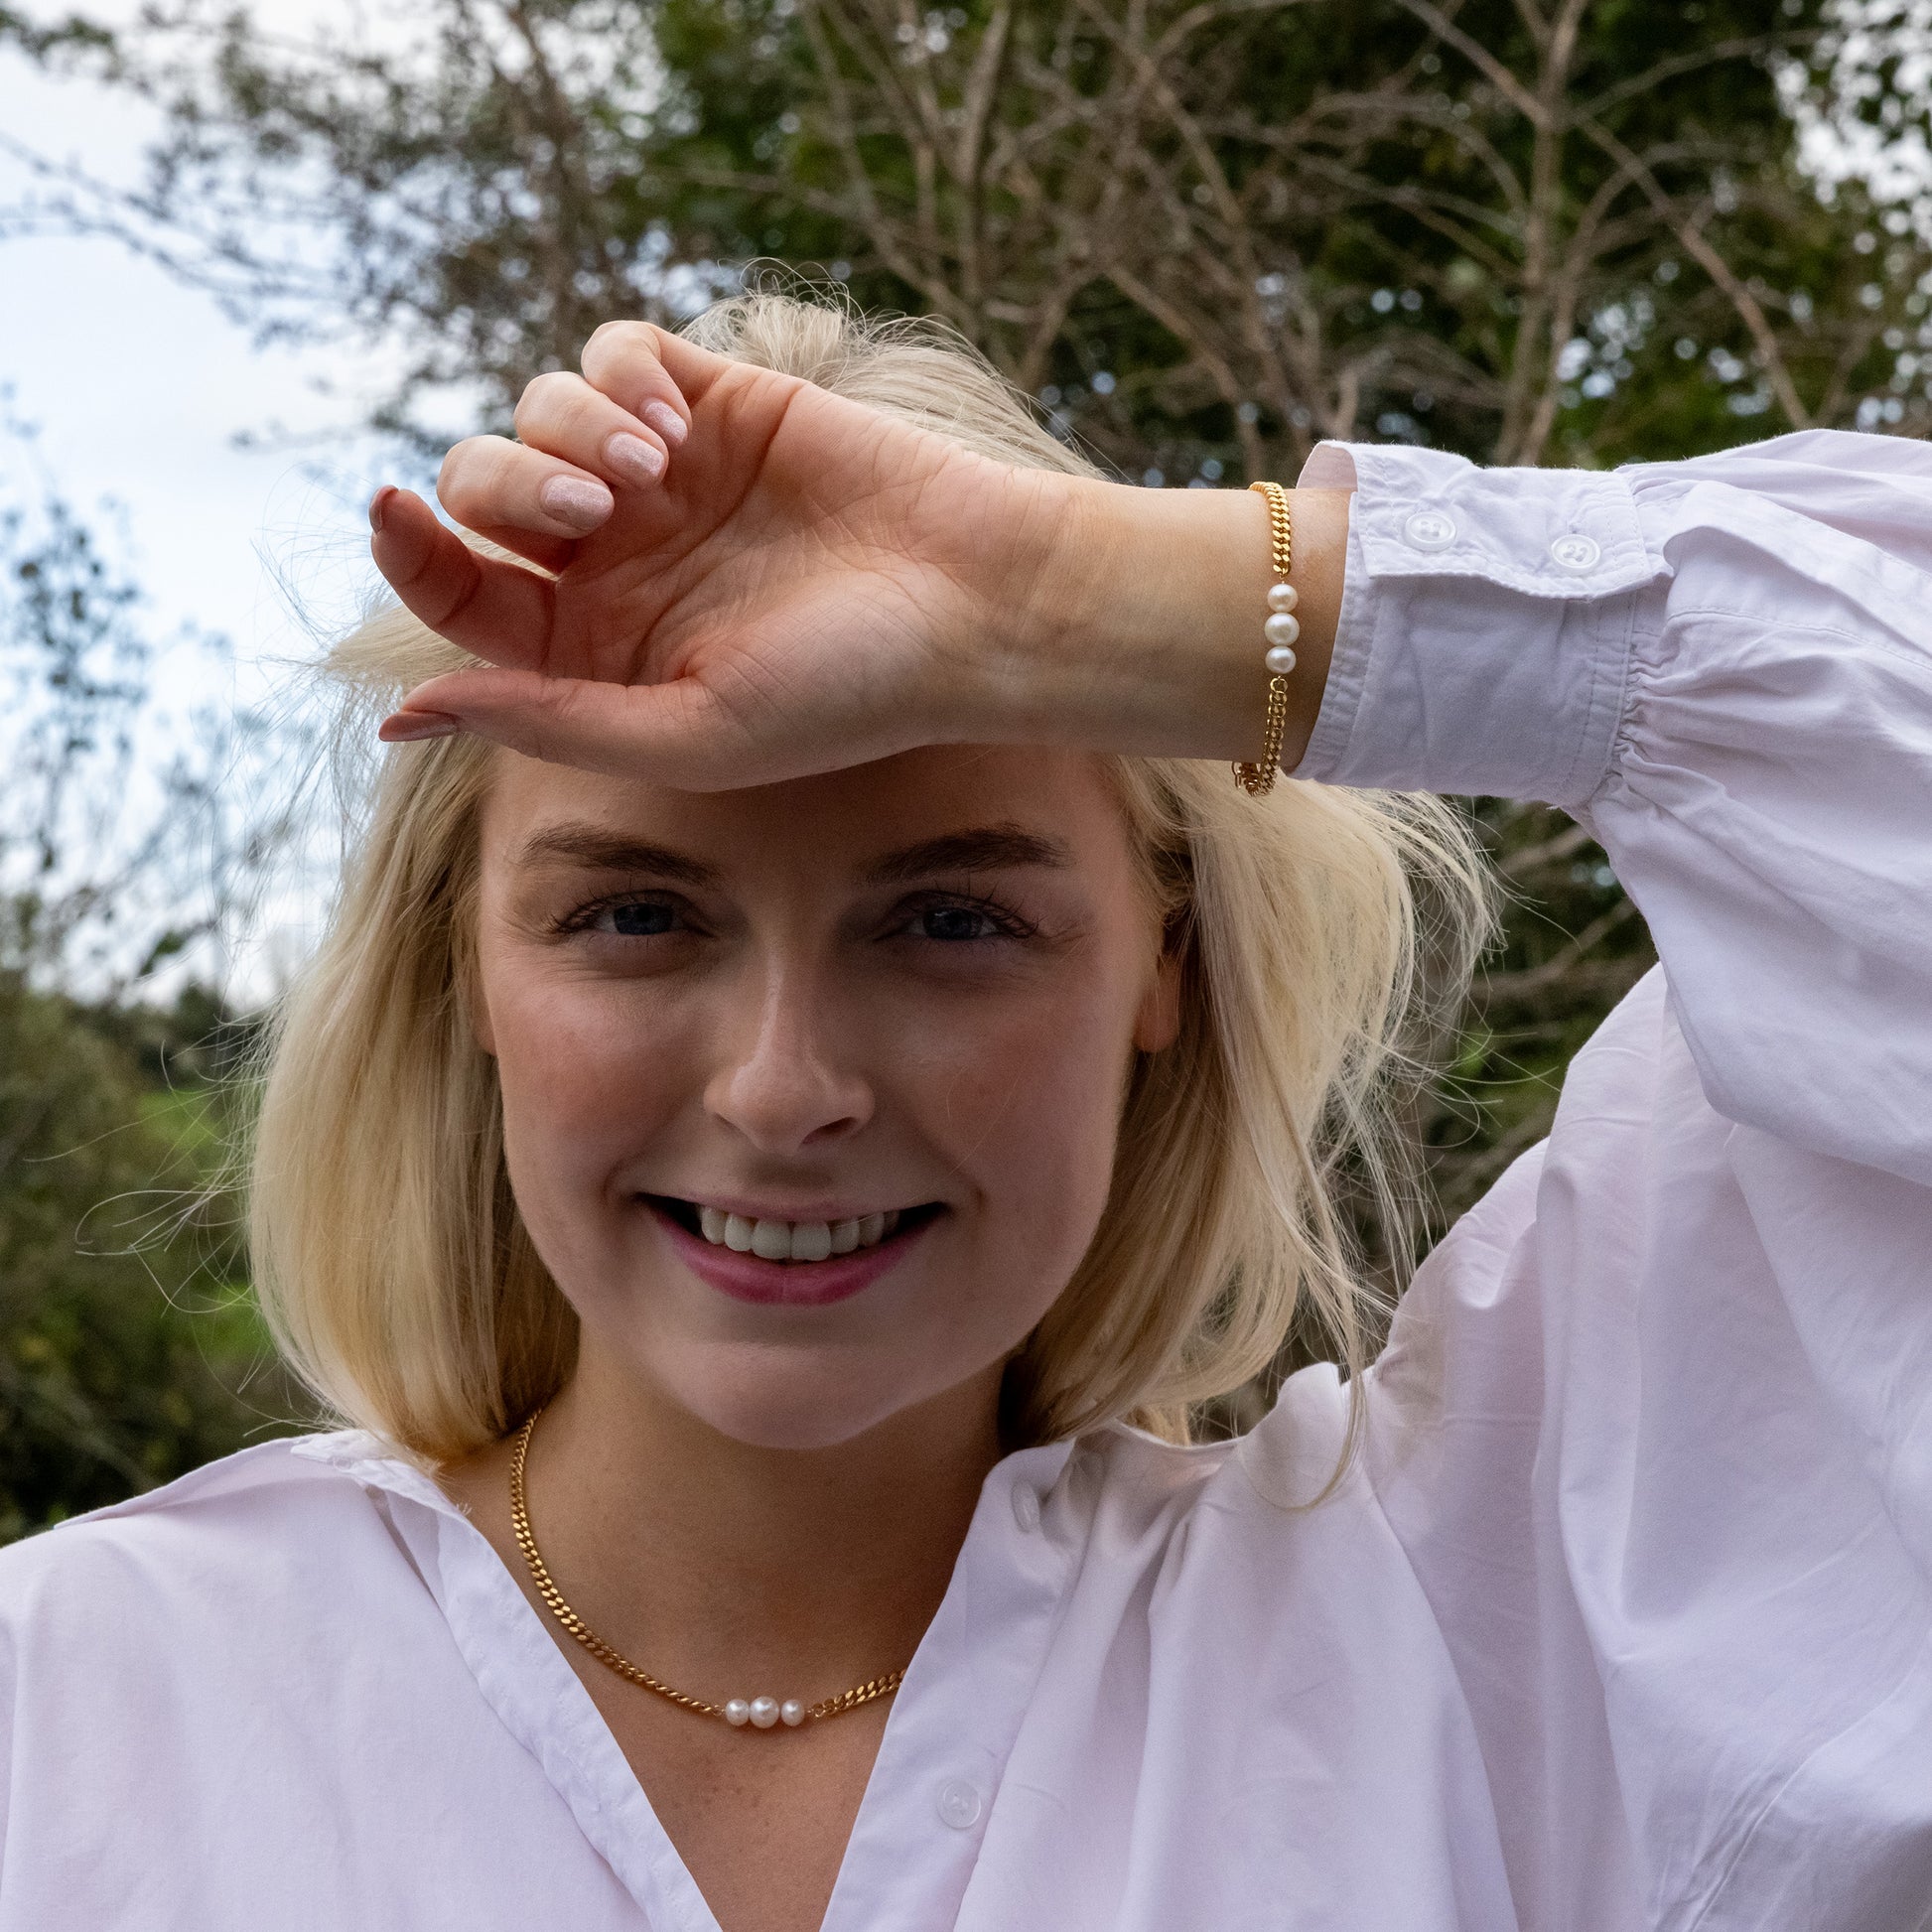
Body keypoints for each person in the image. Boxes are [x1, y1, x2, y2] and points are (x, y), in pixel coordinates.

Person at [1, 291, 1929, 1932]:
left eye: (950, 917)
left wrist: (1066, 600)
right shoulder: (72, 1709)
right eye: (634, 914)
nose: (784, 1089)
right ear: (466, 971)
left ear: (1158, 963)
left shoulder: (1481, 1650)